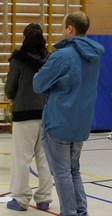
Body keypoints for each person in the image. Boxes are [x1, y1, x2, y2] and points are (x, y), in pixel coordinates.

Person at [33, 11, 104, 216]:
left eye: (62, 25)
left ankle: (70, 213)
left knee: (62, 172)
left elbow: (38, 84)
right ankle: (80, 211)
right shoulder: (94, 55)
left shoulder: (62, 55)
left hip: (59, 121)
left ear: (70, 29)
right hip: (81, 121)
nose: (60, 28)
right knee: (73, 171)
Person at [4, 23, 53, 211]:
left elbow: (10, 89)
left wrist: (13, 95)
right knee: (45, 158)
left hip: (24, 114)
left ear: (25, 38)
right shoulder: (50, 59)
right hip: (47, 113)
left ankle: (21, 199)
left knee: (22, 159)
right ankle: (44, 198)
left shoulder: (18, 60)